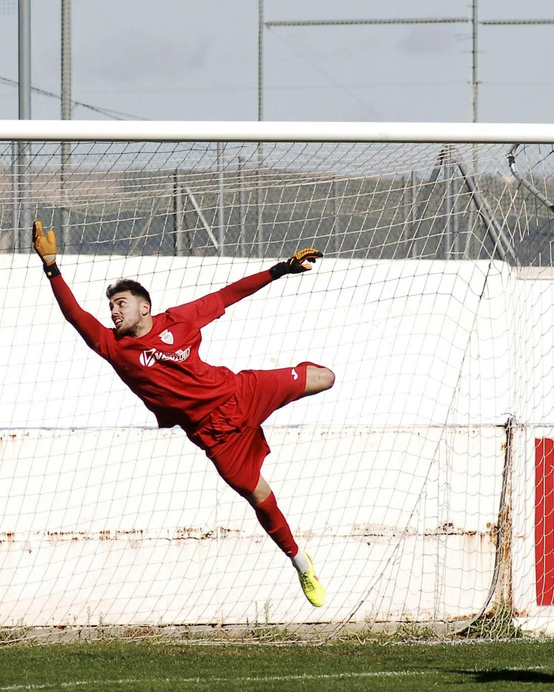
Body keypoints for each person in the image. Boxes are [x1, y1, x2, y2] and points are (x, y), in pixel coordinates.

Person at [32, 220, 333, 606]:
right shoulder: (112, 346)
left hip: (240, 392)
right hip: (214, 435)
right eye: (110, 306)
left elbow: (228, 295)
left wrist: (281, 269)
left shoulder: (180, 319)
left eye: (119, 303)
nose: (112, 311)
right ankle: (300, 562)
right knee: (258, 495)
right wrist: (52, 267)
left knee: (325, 378)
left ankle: (276, 400)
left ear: (145, 307)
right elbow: (75, 315)